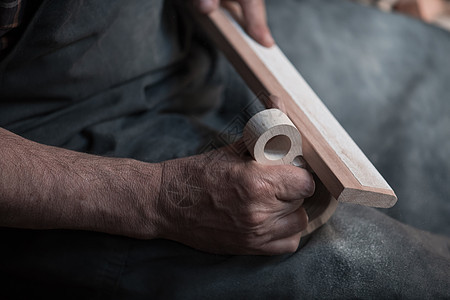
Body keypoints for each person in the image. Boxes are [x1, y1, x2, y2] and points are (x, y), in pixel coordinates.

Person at [1, 0, 449, 298]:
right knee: (387, 273)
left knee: (435, 81)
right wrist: (159, 197)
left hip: (195, 25)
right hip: (58, 145)